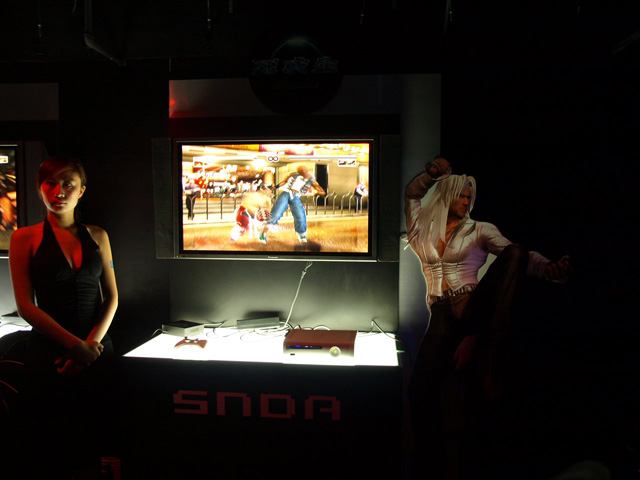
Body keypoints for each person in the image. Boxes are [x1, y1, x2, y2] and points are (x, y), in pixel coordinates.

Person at [405, 157, 571, 479]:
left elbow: (518, 257)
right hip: (440, 313)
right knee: (419, 393)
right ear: (447, 194)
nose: (466, 202)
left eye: (469, 197)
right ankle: (431, 468)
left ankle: (487, 345)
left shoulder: (480, 229)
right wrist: (430, 175)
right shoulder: (420, 230)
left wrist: (548, 269)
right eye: (461, 195)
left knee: (515, 252)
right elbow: (412, 195)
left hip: (473, 305)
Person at [8, 155, 118, 478]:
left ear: (81, 190)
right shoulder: (23, 238)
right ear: (40, 189)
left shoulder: (98, 236)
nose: (58, 192)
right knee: (50, 448)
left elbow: (112, 297)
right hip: (50, 356)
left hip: (97, 350)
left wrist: (90, 347)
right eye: (50, 183)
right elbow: (25, 306)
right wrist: (76, 347)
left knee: (98, 444)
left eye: (68, 184)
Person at [260, 165, 325, 243]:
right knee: (276, 213)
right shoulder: (293, 174)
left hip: (296, 196)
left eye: (303, 171)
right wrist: (274, 187)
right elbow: (284, 182)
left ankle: (302, 235)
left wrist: (317, 192)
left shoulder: (311, 180)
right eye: (300, 170)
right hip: (286, 193)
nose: (301, 172)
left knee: (300, 214)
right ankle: (263, 234)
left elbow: (320, 190)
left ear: (306, 171)